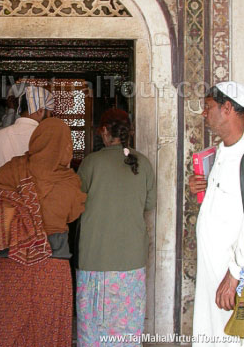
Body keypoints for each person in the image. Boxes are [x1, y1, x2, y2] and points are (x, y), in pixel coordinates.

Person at [0, 117, 86, 347]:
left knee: (10, 326)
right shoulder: (69, 181)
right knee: (47, 326)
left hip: (13, 262)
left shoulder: (13, 168)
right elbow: (72, 214)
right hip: (53, 265)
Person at [76, 108, 156, 347]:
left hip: (96, 257)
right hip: (131, 259)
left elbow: (75, 203)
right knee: (127, 329)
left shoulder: (91, 163)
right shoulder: (142, 162)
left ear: (103, 131)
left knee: (94, 329)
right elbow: (150, 203)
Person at [189, 81, 244, 346]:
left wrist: (234, 275)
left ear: (227, 108)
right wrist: (202, 187)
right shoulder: (222, 151)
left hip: (231, 276)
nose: (203, 113)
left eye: (208, 107)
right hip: (213, 273)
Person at [0, 85, 54, 183]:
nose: (50, 117)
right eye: (50, 113)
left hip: (0, 198)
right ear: (40, 111)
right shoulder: (50, 140)